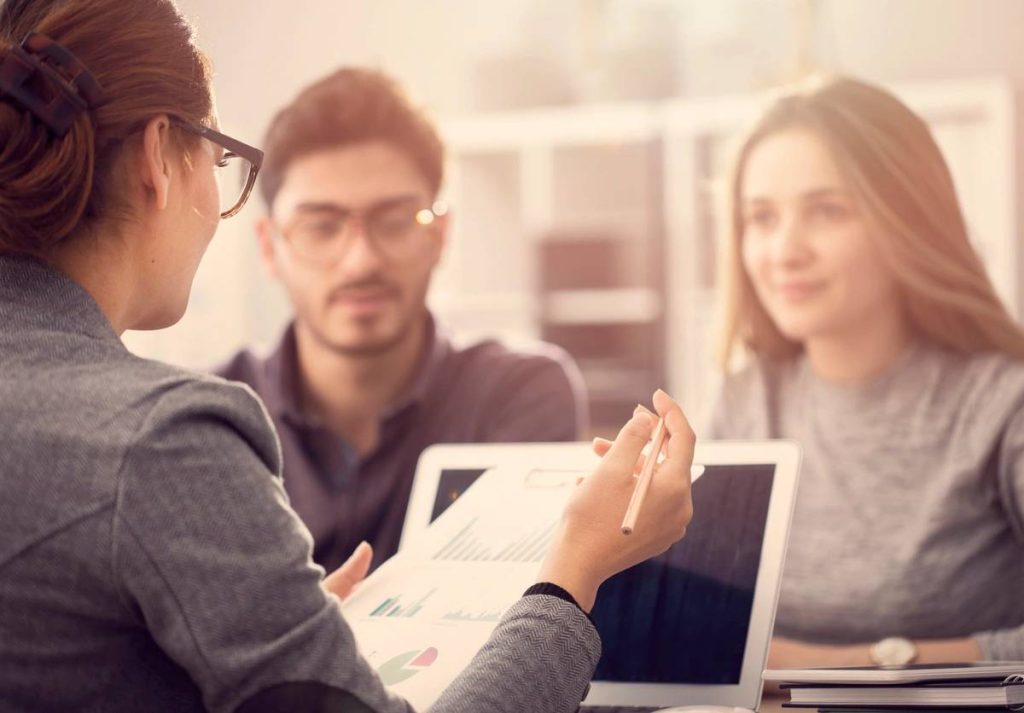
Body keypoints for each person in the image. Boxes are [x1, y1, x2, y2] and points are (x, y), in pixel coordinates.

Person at [0, 1, 696, 712]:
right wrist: (574, 569)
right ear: (159, 158)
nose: (360, 259)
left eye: (392, 218)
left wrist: (274, 635)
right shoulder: (165, 440)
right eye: (216, 157)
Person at [216, 68, 588, 572]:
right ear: (269, 246)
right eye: (321, 226)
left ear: (439, 235)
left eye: (394, 221)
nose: (361, 261)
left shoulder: (519, 394)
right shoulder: (212, 414)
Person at [708, 75, 1024, 669]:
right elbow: (707, 627)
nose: (785, 250)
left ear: (908, 220)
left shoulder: (1001, 404)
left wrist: (871, 662)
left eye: (827, 212)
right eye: (762, 218)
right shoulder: (748, 400)